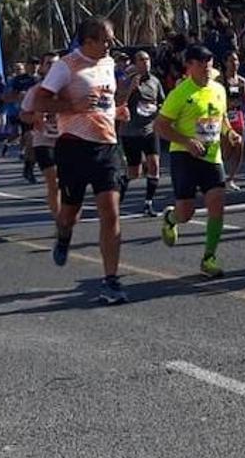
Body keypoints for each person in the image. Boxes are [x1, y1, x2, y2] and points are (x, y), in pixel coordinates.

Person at [37, 18, 128, 305]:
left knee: (110, 212)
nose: (110, 45)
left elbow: (105, 100)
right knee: (69, 215)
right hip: (73, 147)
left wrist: (117, 112)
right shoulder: (65, 66)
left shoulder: (108, 63)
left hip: (107, 147)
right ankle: (63, 236)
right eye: (106, 40)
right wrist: (70, 106)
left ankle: (110, 280)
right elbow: (40, 102)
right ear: (87, 41)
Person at [157, 45, 239, 278]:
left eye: (210, 65)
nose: (207, 69)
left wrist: (230, 132)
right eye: (202, 65)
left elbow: (221, 117)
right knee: (186, 213)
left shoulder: (219, 89)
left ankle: (208, 258)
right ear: (189, 66)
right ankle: (171, 218)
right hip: (184, 156)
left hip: (212, 157)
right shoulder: (180, 93)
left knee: (217, 204)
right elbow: (160, 126)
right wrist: (187, 141)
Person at [116, 49, 165, 216]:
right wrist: (131, 88)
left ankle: (148, 204)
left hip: (149, 129)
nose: (146, 63)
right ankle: (120, 188)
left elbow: (161, 102)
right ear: (135, 63)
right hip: (130, 132)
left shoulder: (155, 82)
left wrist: (156, 109)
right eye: (142, 60)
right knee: (134, 172)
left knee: (154, 164)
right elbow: (119, 101)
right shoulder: (125, 80)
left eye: (147, 60)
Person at [19, 53, 62, 218]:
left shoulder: (68, 89)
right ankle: (59, 222)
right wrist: (34, 118)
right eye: (49, 64)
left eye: (56, 64)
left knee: (68, 184)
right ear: (43, 68)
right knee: (54, 182)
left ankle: (65, 215)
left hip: (66, 140)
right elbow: (24, 115)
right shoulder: (36, 90)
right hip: (43, 140)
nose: (52, 67)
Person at [220, 51, 245, 190]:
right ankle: (214, 176)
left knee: (239, 146)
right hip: (223, 117)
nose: (235, 63)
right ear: (226, 63)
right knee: (225, 151)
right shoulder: (220, 80)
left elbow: (244, 99)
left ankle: (231, 179)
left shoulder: (242, 81)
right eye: (231, 61)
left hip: (237, 116)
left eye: (236, 60)